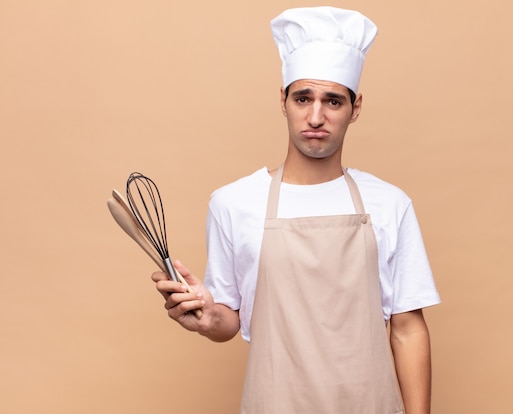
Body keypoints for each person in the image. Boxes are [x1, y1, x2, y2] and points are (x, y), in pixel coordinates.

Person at [151, 6, 440, 414]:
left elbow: (408, 330)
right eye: (303, 98)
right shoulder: (233, 203)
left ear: (355, 109)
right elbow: (228, 320)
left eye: (333, 101)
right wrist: (205, 317)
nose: (316, 116)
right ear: (283, 101)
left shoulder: (390, 204)